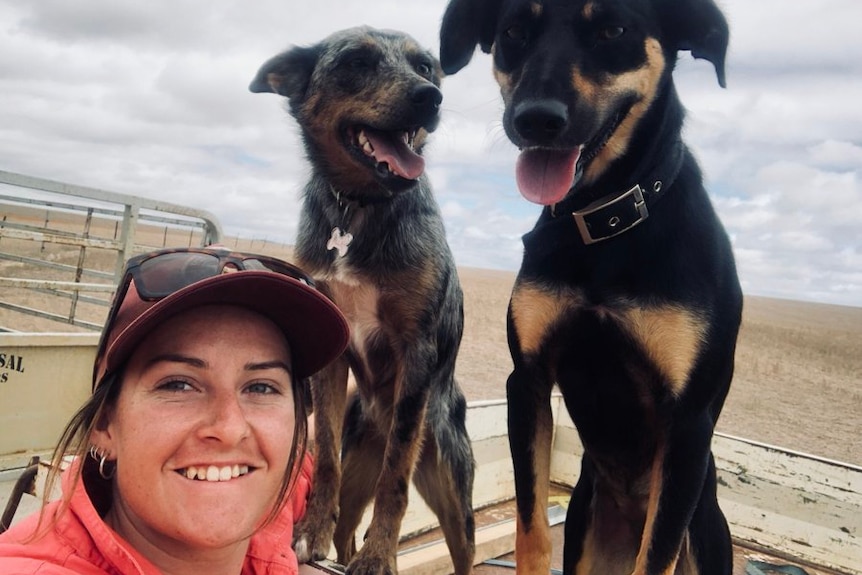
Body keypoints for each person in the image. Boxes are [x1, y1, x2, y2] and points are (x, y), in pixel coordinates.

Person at [0, 246, 350, 575]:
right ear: (105, 423)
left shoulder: (273, 486)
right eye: (179, 385)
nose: (230, 429)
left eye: (261, 387)